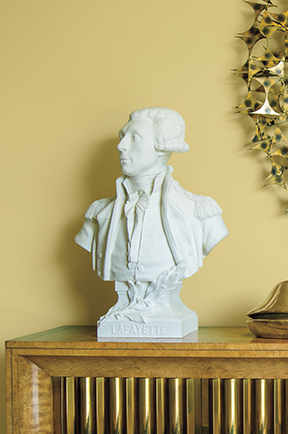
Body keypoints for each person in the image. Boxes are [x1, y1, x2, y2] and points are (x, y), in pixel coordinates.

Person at [75, 108, 228, 336]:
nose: (121, 146)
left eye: (134, 138)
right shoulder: (99, 214)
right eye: (122, 136)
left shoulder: (199, 211)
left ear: (161, 147)